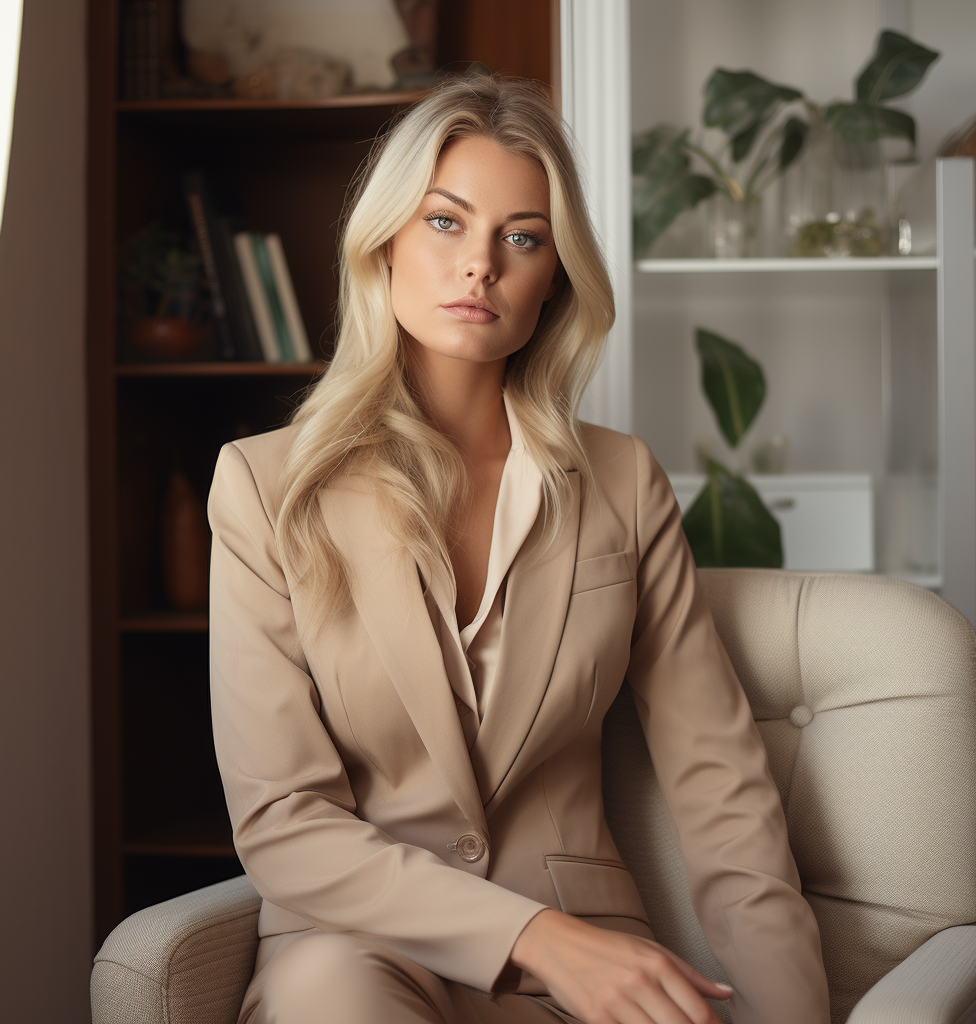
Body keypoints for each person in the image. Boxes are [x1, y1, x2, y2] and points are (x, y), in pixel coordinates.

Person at [207, 75, 831, 1024]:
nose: (481, 267)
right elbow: (283, 822)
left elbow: (723, 791)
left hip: (587, 955)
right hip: (358, 951)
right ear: (384, 243)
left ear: (556, 275)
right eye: (446, 222)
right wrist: (533, 937)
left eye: (523, 237)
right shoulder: (264, 488)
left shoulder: (622, 480)